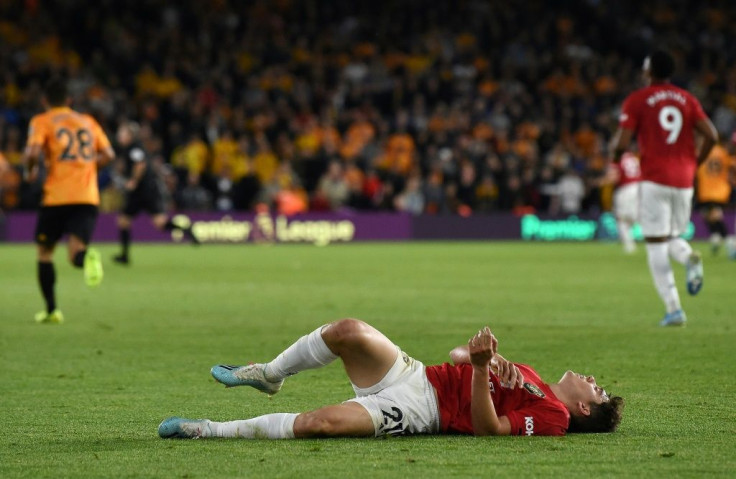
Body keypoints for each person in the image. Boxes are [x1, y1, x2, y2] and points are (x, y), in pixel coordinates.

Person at [158, 318, 623, 439]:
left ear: (585, 408)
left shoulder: (556, 416)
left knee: (321, 424)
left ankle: (208, 431)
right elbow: (456, 355)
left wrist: (482, 369)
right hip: (418, 374)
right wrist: (479, 357)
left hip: (424, 411)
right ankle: (270, 374)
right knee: (347, 332)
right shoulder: (534, 379)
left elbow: (489, 429)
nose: (592, 379)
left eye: (597, 389)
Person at [610, 49, 718, 327]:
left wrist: (614, 155)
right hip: (684, 180)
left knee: (655, 242)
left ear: (648, 71)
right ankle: (688, 256)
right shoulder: (687, 98)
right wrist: (694, 163)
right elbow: (712, 135)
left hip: (655, 177)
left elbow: (622, 143)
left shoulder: (638, 99)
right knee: (671, 236)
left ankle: (674, 309)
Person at [22, 78, 115, 324]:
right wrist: (86, 168)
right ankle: (87, 257)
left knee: (45, 253)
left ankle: (52, 310)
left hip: (57, 197)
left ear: (45, 101)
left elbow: (31, 152)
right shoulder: (88, 121)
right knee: (75, 255)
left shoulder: (42, 121)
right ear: (69, 100)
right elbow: (108, 154)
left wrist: (30, 171)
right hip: (87, 196)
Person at [113, 121, 198, 265]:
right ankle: (124, 256)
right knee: (131, 222)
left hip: (145, 192)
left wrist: (133, 180)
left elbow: (140, 164)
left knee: (130, 222)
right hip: (144, 192)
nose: (119, 136)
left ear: (130, 135)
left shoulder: (134, 148)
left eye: (122, 133)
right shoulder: (132, 148)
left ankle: (125, 255)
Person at [696, 140, 734, 256]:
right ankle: (717, 238)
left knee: (714, 216)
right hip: (721, 190)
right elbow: (731, 166)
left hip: (706, 190)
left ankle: (729, 242)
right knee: (709, 216)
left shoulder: (703, 151)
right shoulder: (723, 153)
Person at [611, 151, 642, 254]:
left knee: (622, 219)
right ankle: (658, 240)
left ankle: (629, 246)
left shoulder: (617, 157)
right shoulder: (633, 157)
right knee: (637, 217)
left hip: (625, 189)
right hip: (639, 187)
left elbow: (614, 177)